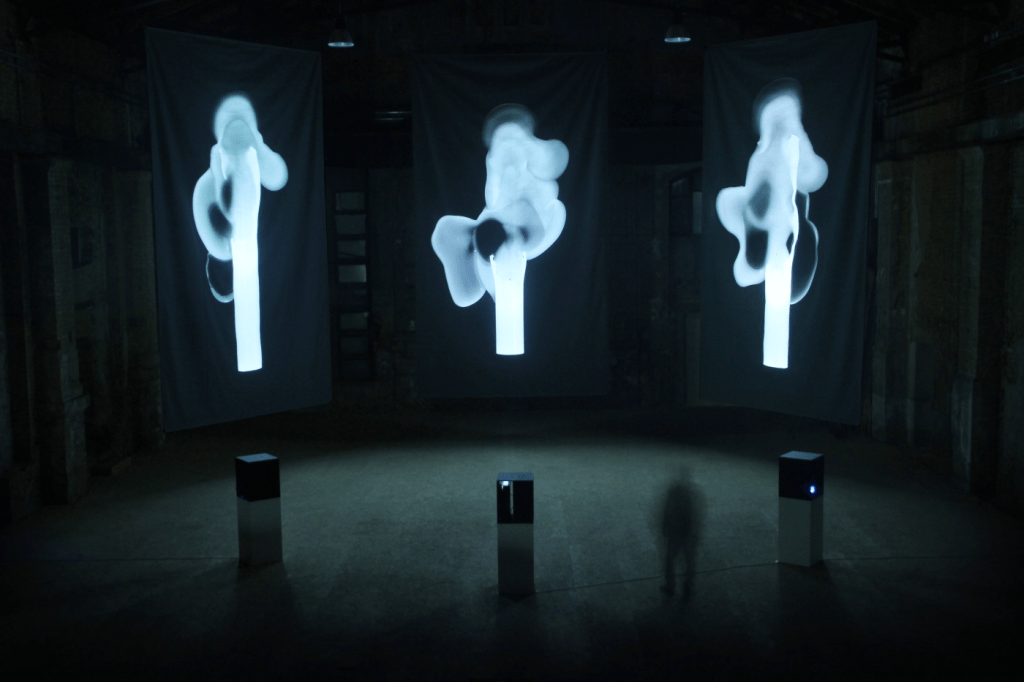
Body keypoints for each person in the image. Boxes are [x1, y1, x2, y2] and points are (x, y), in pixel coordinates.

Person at [660, 466, 705, 600]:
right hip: (687, 533)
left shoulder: (674, 490)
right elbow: (697, 515)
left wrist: (665, 526)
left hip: (677, 532)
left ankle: (671, 586)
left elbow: (667, 509)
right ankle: (687, 588)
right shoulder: (693, 492)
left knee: (671, 560)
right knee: (688, 561)